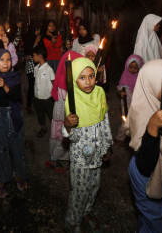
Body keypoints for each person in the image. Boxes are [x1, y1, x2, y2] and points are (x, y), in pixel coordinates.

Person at [124, 59, 162, 233]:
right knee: (155, 224)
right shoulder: (142, 113)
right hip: (146, 175)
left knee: (160, 218)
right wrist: (152, 127)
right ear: (150, 84)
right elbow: (145, 165)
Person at [63, 57, 112, 233]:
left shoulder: (99, 93)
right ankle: (73, 219)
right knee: (80, 190)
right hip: (80, 158)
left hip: (97, 153)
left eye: (91, 76)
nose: (88, 81)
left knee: (93, 187)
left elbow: (105, 122)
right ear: (74, 79)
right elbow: (73, 137)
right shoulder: (72, 99)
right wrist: (68, 126)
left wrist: (107, 147)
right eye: (82, 77)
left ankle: (85, 212)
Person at [0, 49, 27, 198]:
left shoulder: (15, 76)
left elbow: (16, 97)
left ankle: (20, 175)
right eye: (2, 60)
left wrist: (4, 85)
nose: (6, 63)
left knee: (18, 149)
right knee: (0, 150)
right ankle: (2, 179)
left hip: (14, 115)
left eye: (8, 60)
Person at [48, 50, 83, 173]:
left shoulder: (79, 78)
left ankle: (68, 155)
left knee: (70, 132)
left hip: (70, 112)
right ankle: (55, 156)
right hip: (62, 111)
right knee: (60, 132)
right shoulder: (64, 78)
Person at [115, 54, 144, 149]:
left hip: (137, 103)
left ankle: (132, 137)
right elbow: (120, 86)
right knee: (126, 120)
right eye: (130, 67)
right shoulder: (125, 76)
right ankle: (120, 138)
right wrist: (122, 92)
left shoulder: (140, 77)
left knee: (136, 120)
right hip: (127, 102)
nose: (132, 70)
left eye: (135, 68)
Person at [33, 47, 56, 138]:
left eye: (34, 55)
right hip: (37, 96)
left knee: (51, 113)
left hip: (47, 97)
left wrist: (55, 96)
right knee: (40, 113)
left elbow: (53, 82)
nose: (33, 57)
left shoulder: (48, 69)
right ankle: (43, 127)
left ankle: (55, 130)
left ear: (40, 56)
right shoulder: (36, 68)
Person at [22, 22, 42, 115]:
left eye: (39, 30)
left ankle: (38, 103)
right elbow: (29, 52)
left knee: (38, 85)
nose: (38, 32)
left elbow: (41, 51)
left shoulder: (39, 38)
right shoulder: (29, 39)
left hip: (39, 65)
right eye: (36, 30)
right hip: (31, 66)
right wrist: (35, 43)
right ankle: (29, 105)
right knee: (31, 86)